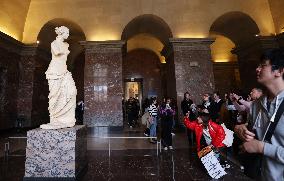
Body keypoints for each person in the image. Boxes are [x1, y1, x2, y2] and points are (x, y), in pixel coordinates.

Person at [234, 49, 284, 181]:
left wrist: (262, 148)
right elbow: (251, 129)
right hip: (261, 175)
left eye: (263, 65)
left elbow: (259, 145)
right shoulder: (256, 105)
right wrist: (240, 129)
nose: (257, 69)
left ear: (279, 71)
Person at [40, 26, 77, 129]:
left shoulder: (66, 44)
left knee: (72, 91)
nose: (68, 35)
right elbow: (57, 52)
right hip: (55, 71)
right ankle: (54, 119)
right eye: (67, 33)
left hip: (64, 70)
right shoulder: (54, 43)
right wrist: (64, 51)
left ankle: (66, 119)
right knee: (54, 95)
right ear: (61, 33)